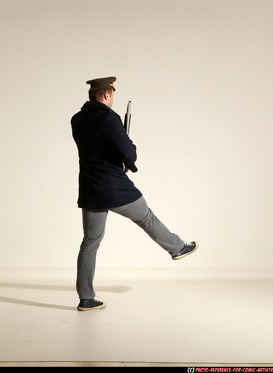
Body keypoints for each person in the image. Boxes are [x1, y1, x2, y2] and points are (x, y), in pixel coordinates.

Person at [71, 76, 198, 311]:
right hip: (114, 186)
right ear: (107, 95)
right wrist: (128, 159)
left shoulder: (77, 119)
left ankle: (86, 298)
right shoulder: (110, 118)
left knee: (90, 242)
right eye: (112, 95)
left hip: (91, 188)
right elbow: (128, 151)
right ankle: (177, 247)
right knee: (146, 217)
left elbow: (96, 147)